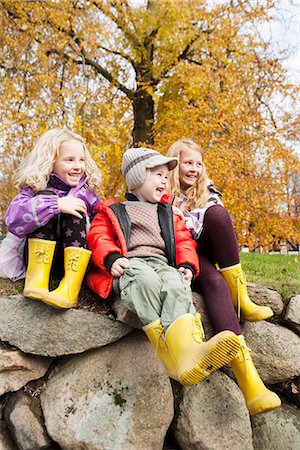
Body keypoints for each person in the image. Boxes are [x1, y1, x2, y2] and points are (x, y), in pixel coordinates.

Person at [87, 147, 241, 386]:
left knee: (176, 285)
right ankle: (172, 357)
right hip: (131, 263)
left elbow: (184, 241)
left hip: (162, 264)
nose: (164, 180)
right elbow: (98, 236)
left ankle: (190, 350)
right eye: (157, 175)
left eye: (165, 176)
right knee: (145, 282)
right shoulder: (113, 210)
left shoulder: (169, 212)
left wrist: (186, 265)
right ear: (138, 177)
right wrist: (111, 258)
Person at [166, 138, 281, 415]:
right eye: (187, 163)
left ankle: (241, 298)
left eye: (197, 163)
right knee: (215, 282)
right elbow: (173, 228)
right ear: (174, 164)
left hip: (202, 248)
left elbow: (212, 219)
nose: (193, 169)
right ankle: (249, 382)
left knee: (217, 214)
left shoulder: (206, 188)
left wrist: (190, 214)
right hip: (179, 255)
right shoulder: (161, 187)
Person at [4, 128, 102, 309]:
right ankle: (37, 280)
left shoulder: (88, 195)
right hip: (36, 260)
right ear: (50, 162)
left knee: (75, 207)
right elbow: (12, 220)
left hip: (71, 262)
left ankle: (70, 287)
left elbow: (100, 228)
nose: (78, 166)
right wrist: (54, 205)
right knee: (47, 201)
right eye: (69, 160)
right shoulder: (35, 189)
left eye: (81, 160)